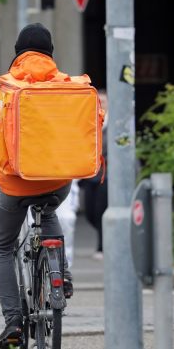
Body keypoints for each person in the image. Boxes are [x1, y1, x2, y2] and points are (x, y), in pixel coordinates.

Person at [0, 23, 74, 349]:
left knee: (0, 246)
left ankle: (13, 321)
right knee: (48, 207)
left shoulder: (3, 86)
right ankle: (61, 274)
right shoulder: (65, 85)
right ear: (50, 53)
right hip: (58, 179)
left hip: (14, 185)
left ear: (17, 54)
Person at [80, 90, 108, 260]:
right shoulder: (89, 123)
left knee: (101, 211)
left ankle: (102, 247)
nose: (101, 104)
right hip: (90, 175)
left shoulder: (114, 124)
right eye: (99, 101)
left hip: (106, 175)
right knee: (90, 212)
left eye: (104, 101)